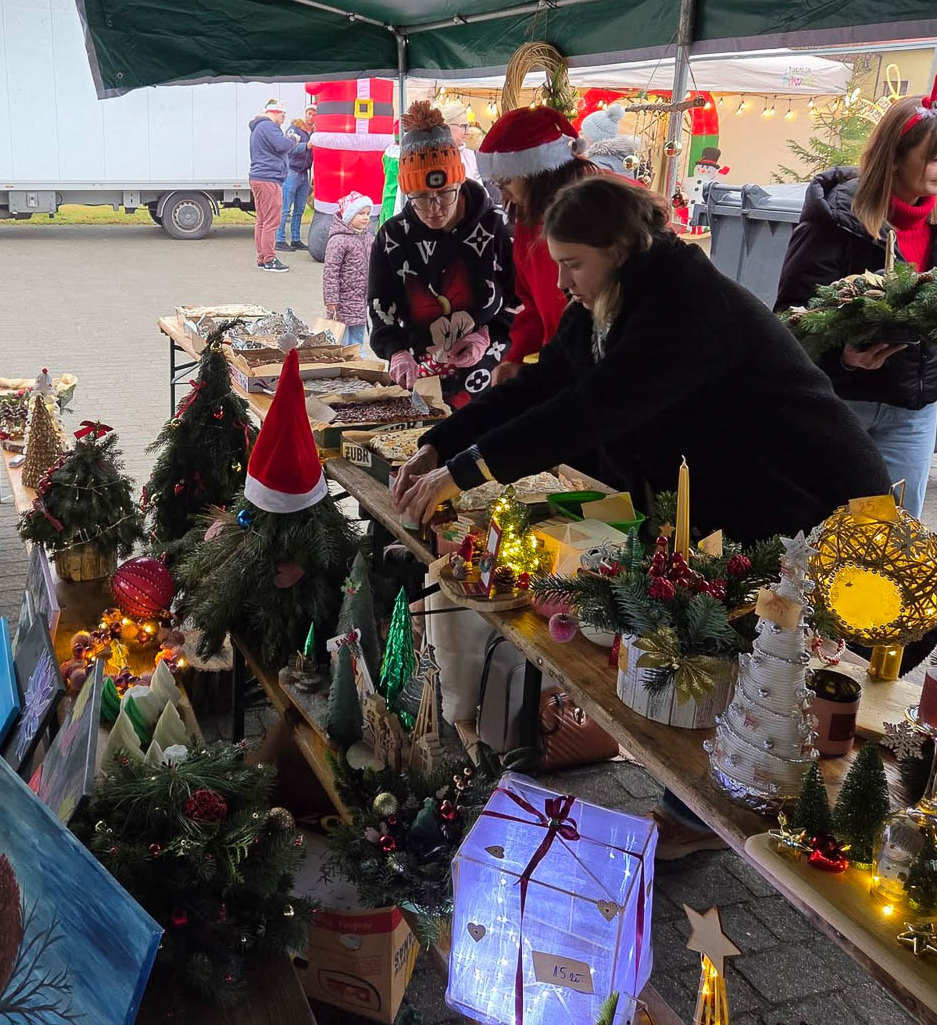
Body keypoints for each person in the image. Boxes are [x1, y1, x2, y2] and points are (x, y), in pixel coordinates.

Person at [392, 176, 891, 859]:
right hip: (733, 495)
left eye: (573, 264)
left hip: (806, 493)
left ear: (620, 249)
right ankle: (708, 800)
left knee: (761, 647)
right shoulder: (609, 298)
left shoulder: (688, 306)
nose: (561, 282)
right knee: (718, 639)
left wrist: (465, 472)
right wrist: (439, 444)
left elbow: (589, 410)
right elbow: (544, 383)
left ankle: (732, 808)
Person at [774, 79, 937, 521]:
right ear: (895, 155)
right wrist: (842, 357)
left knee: (895, 530)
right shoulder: (837, 218)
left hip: (914, 411)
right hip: (841, 403)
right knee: (825, 524)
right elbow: (795, 314)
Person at [367, 102, 515, 410]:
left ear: (459, 181)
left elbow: (522, 301)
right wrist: (396, 352)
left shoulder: (498, 227)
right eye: (421, 198)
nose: (434, 208)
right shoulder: (392, 236)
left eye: (445, 194)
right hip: (421, 381)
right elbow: (379, 305)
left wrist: (487, 335)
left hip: (488, 381)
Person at [477, 107, 599, 385]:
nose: (503, 195)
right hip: (559, 366)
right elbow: (531, 305)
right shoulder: (528, 221)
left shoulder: (594, 214)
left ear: (538, 172)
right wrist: (515, 358)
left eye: (507, 182)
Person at [249, 98, 297, 272]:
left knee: (262, 221)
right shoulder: (268, 126)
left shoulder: (259, 127)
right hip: (268, 178)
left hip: (259, 177)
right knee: (271, 221)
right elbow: (282, 145)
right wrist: (293, 139)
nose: (284, 119)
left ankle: (262, 258)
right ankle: (270, 259)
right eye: (283, 115)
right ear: (275, 113)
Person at [323, 191, 375, 355]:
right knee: (342, 336)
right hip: (342, 300)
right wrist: (331, 299)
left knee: (358, 332)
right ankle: (343, 359)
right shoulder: (338, 240)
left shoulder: (369, 238)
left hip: (361, 299)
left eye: (367, 214)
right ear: (349, 215)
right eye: (361, 213)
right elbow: (331, 272)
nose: (365, 218)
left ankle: (357, 358)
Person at [276, 103, 315, 252]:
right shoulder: (295, 129)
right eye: (310, 113)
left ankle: (295, 239)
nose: (312, 117)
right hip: (291, 172)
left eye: (315, 114)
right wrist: (306, 146)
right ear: (305, 114)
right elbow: (289, 148)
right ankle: (279, 240)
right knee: (285, 208)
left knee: (299, 209)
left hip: (304, 173)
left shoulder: (315, 132)